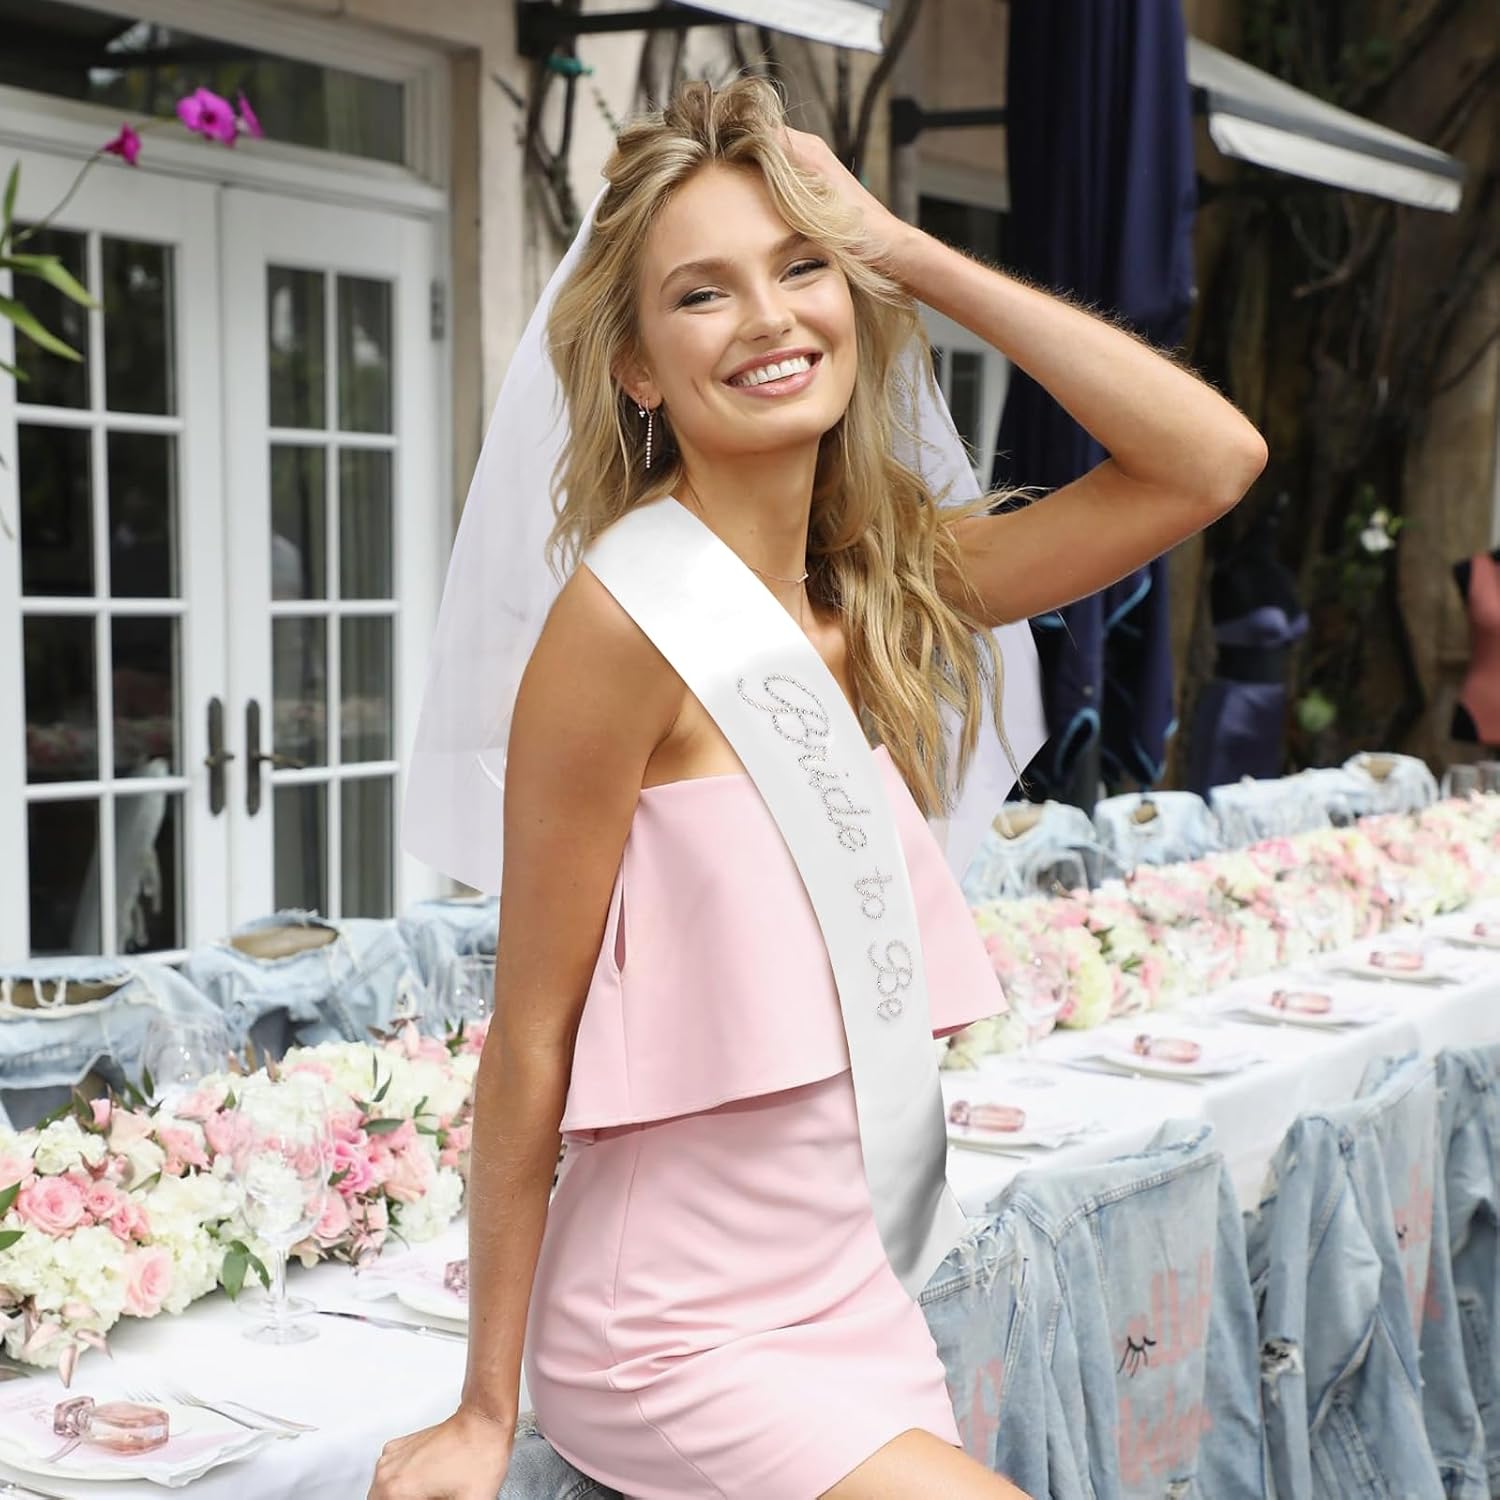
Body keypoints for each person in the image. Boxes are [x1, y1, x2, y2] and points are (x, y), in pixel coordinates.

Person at [369, 77, 1266, 1500]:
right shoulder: (623, 628)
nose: (770, 319)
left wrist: (902, 248)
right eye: (703, 293)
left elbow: (1211, 461)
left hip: (856, 1295)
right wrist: (485, 1408)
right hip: (672, 1327)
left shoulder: (884, 589)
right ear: (638, 367)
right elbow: (529, 1038)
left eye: (801, 269)